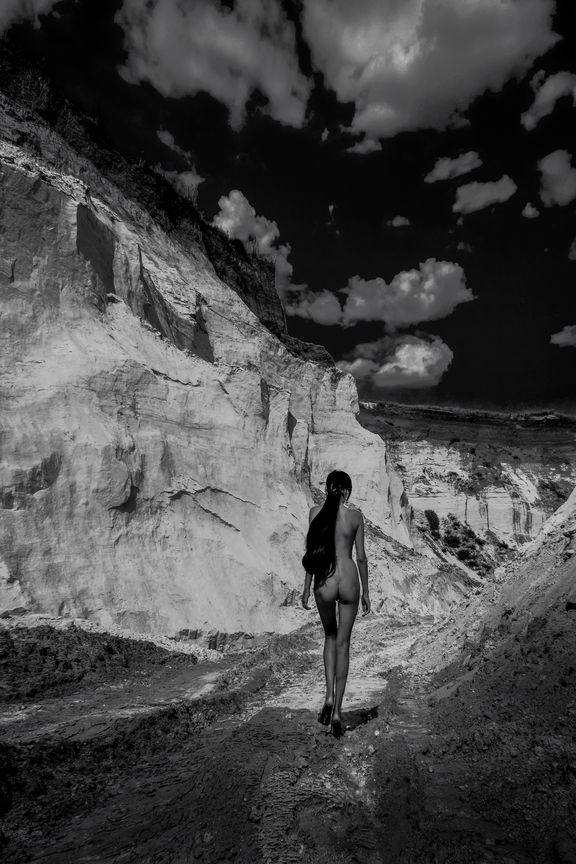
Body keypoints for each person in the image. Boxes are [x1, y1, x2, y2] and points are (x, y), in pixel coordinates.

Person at [301, 470, 371, 738]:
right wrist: (366, 592)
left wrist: (307, 587)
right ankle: (339, 713)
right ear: (347, 492)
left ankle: (328, 697)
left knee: (329, 636)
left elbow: (312, 551)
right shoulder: (355, 517)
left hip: (326, 579)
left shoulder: (314, 513)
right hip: (349, 577)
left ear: (328, 488)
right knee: (344, 644)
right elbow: (361, 557)